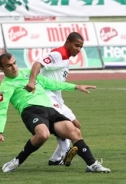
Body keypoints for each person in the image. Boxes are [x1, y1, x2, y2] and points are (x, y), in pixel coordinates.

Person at [0, 52, 110, 173]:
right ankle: (17, 161)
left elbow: (52, 83)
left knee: (74, 130)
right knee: (43, 134)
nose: (14, 67)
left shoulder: (28, 73)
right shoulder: (6, 86)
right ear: (2, 69)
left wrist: (75, 86)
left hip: (49, 109)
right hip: (31, 111)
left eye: (15, 63)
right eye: (9, 65)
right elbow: (2, 110)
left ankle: (92, 165)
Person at [25, 32, 84, 166]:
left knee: (76, 125)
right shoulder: (58, 54)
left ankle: (56, 158)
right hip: (47, 97)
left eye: (81, 47)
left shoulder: (65, 58)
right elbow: (37, 63)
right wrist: (32, 81)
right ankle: (64, 152)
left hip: (58, 98)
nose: (78, 49)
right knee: (65, 125)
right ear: (67, 42)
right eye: (76, 45)